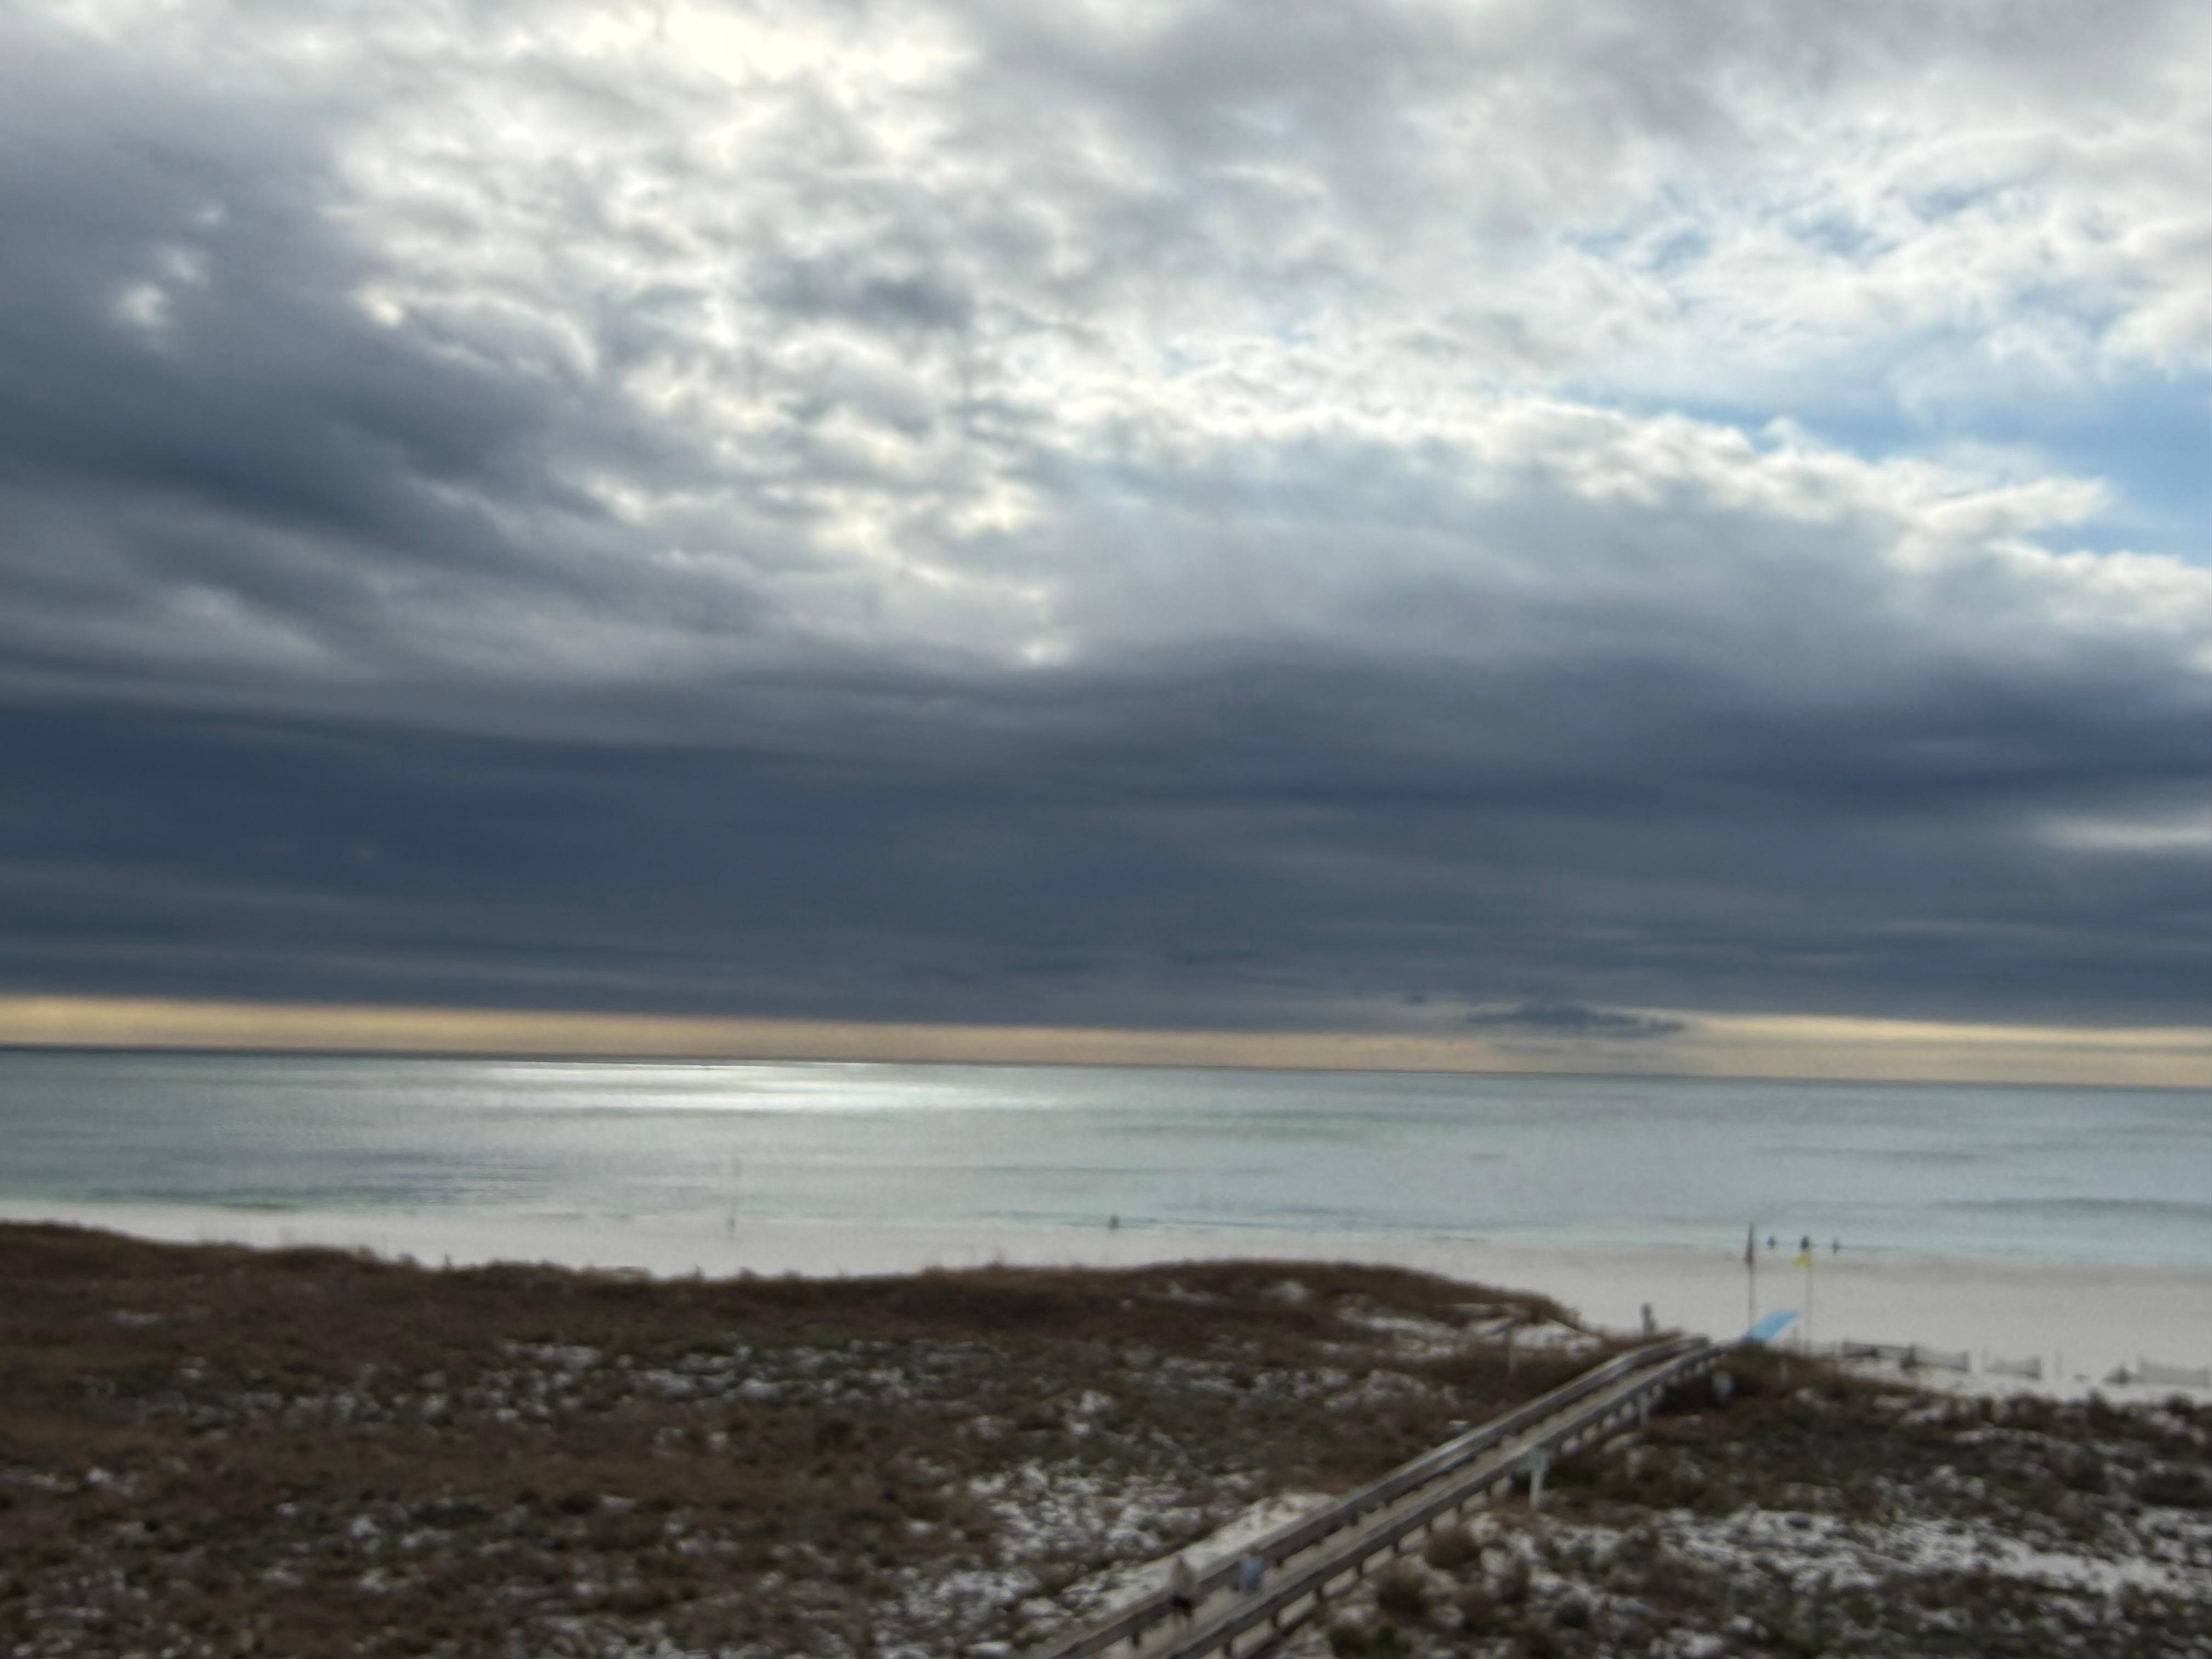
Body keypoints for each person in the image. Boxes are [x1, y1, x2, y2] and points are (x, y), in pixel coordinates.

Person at [1169, 1555, 1197, 1626]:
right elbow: (1173, 1582)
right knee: (1179, 1610)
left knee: (1186, 1611)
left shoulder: (1186, 1571)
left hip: (1184, 1594)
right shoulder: (1178, 1571)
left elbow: (1191, 1581)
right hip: (1180, 1594)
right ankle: (1183, 1624)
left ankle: (1189, 1624)